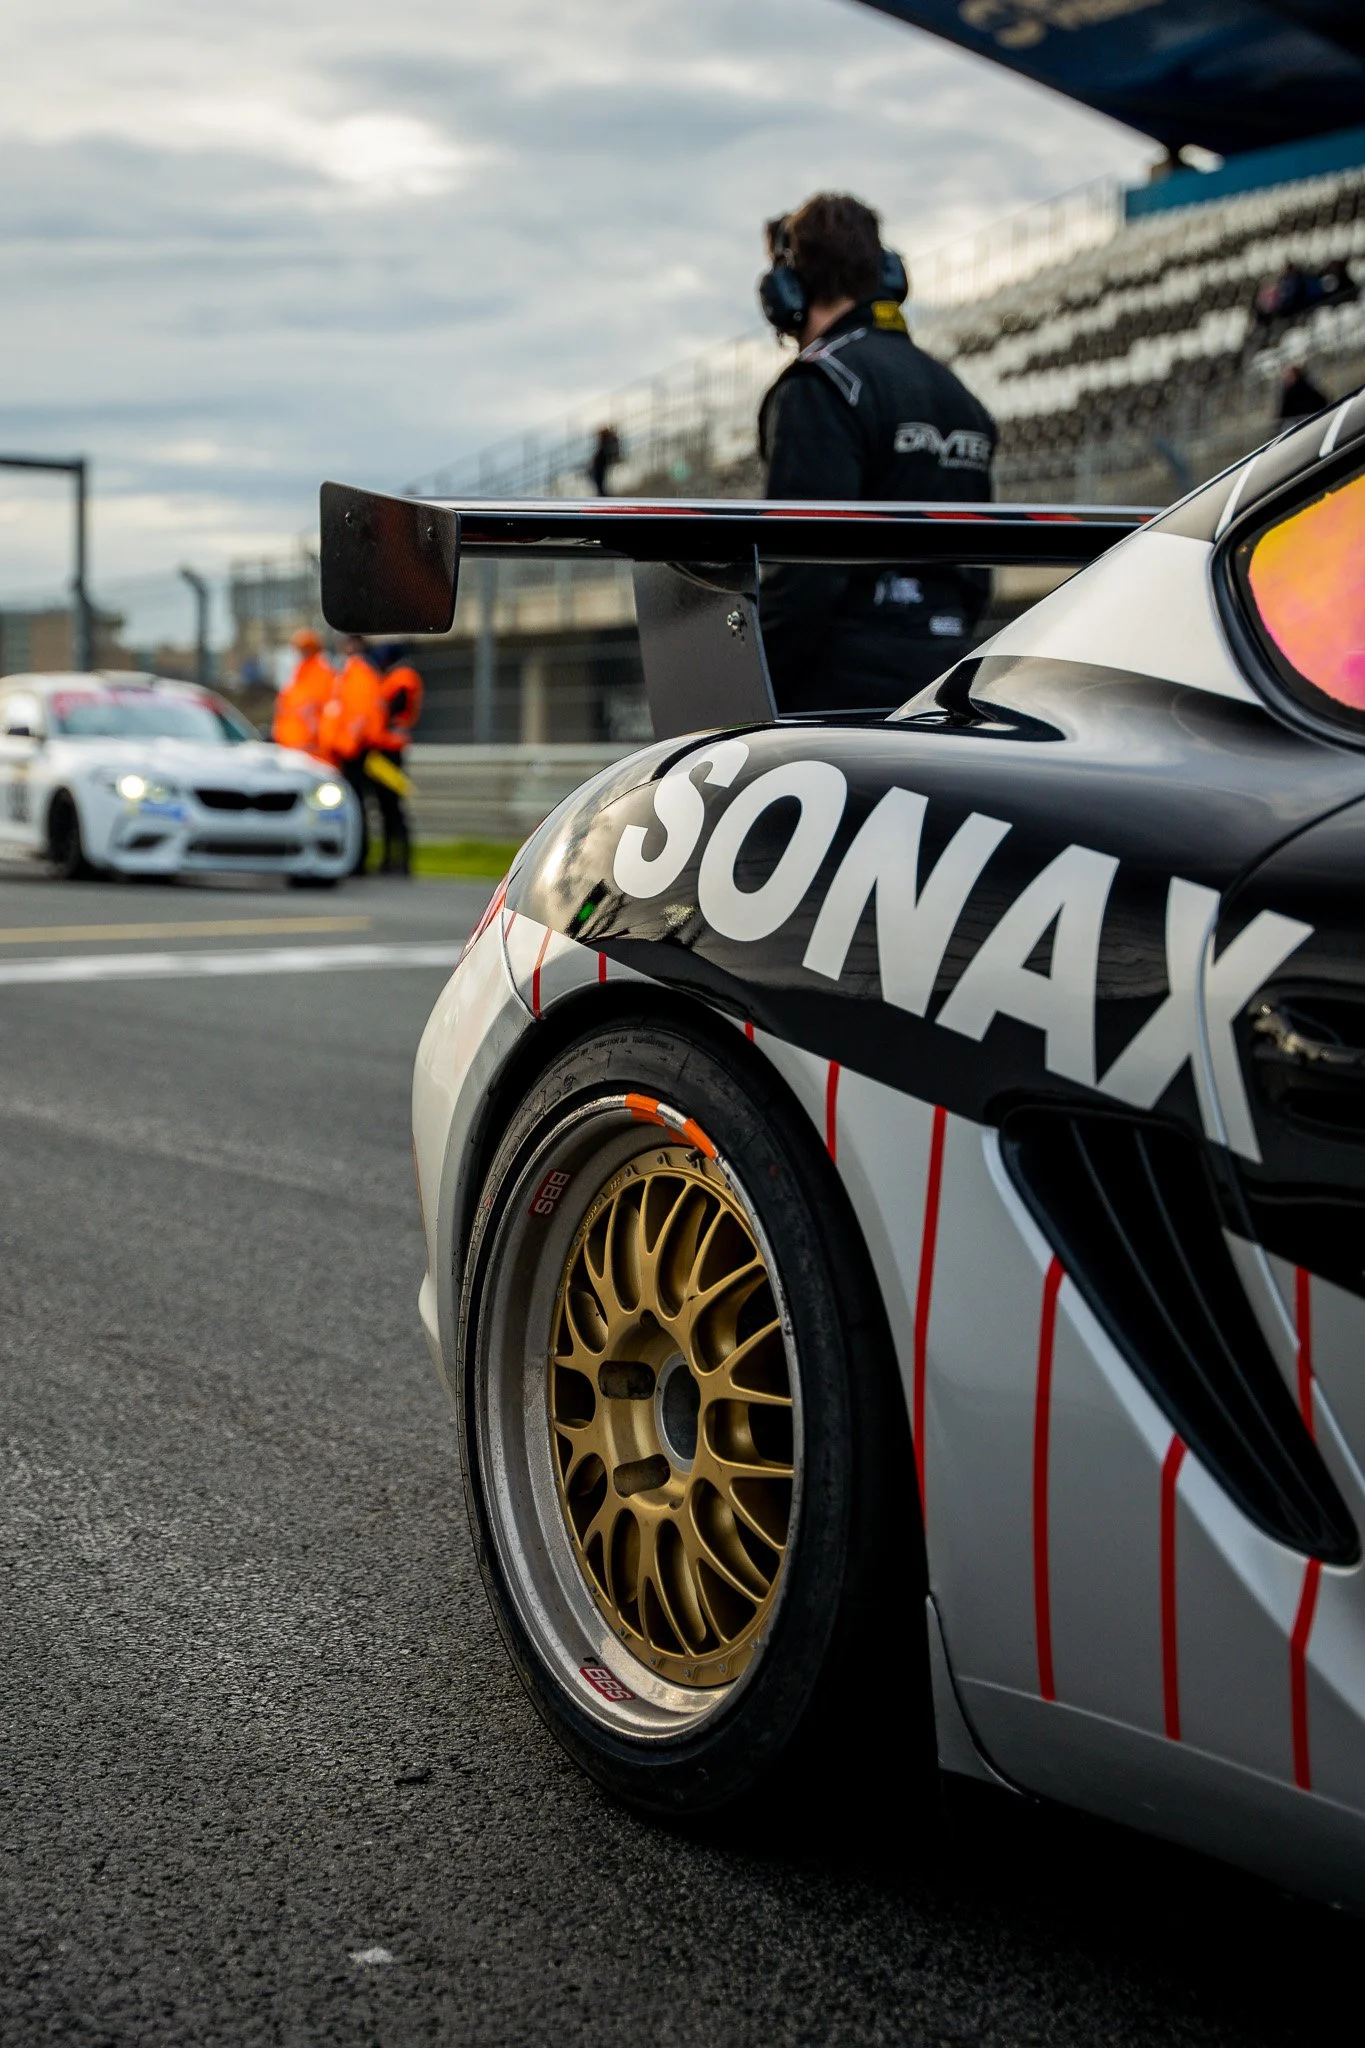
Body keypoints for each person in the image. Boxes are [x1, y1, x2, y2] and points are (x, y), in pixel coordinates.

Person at [756, 192, 997, 713]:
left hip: (840, 700)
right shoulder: (960, 396)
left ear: (786, 291)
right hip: (948, 684)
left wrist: (750, 689)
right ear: (887, 276)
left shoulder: (821, 383)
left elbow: (801, 578)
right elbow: (978, 574)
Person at [318, 636, 387, 873]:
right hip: (344, 751)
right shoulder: (347, 674)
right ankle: (355, 857)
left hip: (353, 752)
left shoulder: (359, 674)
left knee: (355, 805)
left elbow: (359, 715)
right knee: (352, 805)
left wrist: (347, 745)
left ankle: (358, 859)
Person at [369, 643, 425, 876]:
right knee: (388, 808)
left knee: (392, 808)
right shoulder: (396, 677)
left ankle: (399, 861)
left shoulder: (402, 677)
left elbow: (392, 709)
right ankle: (393, 860)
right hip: (387, 748)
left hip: (390, 749)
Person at [271, 629, 333, 758]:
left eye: (306, 648)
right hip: (291, 748)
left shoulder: (323, 674)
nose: (302, 653)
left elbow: (325, 710)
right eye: (300, 649)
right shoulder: (298, 674)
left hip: (311, 750)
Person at [588, 425, 620, 496]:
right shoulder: (606, 443)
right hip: (599, 465)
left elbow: (613, 453)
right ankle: (602, 494)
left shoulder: (608, 443)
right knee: (599, 482)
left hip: (600, 465)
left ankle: (603, 495)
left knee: (600, 482)